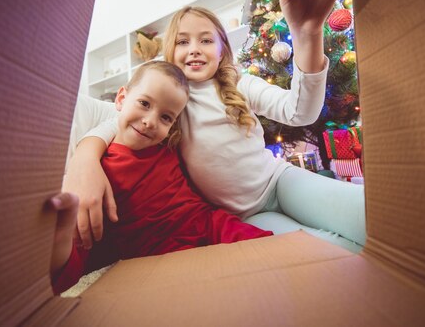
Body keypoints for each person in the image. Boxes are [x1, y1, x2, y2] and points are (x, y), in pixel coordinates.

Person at [64, 0, 365, 253]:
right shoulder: (168, 107)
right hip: (246, 216)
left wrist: (307, 34)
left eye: (205, 40)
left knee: (365, 217)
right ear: (170, 52)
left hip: (281, 182)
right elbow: (112, 123)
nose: (194, 48)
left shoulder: (238, 85)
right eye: (183, 42)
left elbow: (300, 112)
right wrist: (84, 161)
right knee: (322, 251)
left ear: (222, 51)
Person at [52, 61, 272, 294]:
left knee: (273, 253)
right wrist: (61, 238)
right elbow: (81, 255)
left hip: (210, 225)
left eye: (166, 117)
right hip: (159, 256)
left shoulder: (169, 146)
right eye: (144, 104)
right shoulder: (100, 171)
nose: (150, 121)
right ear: (120, 99)